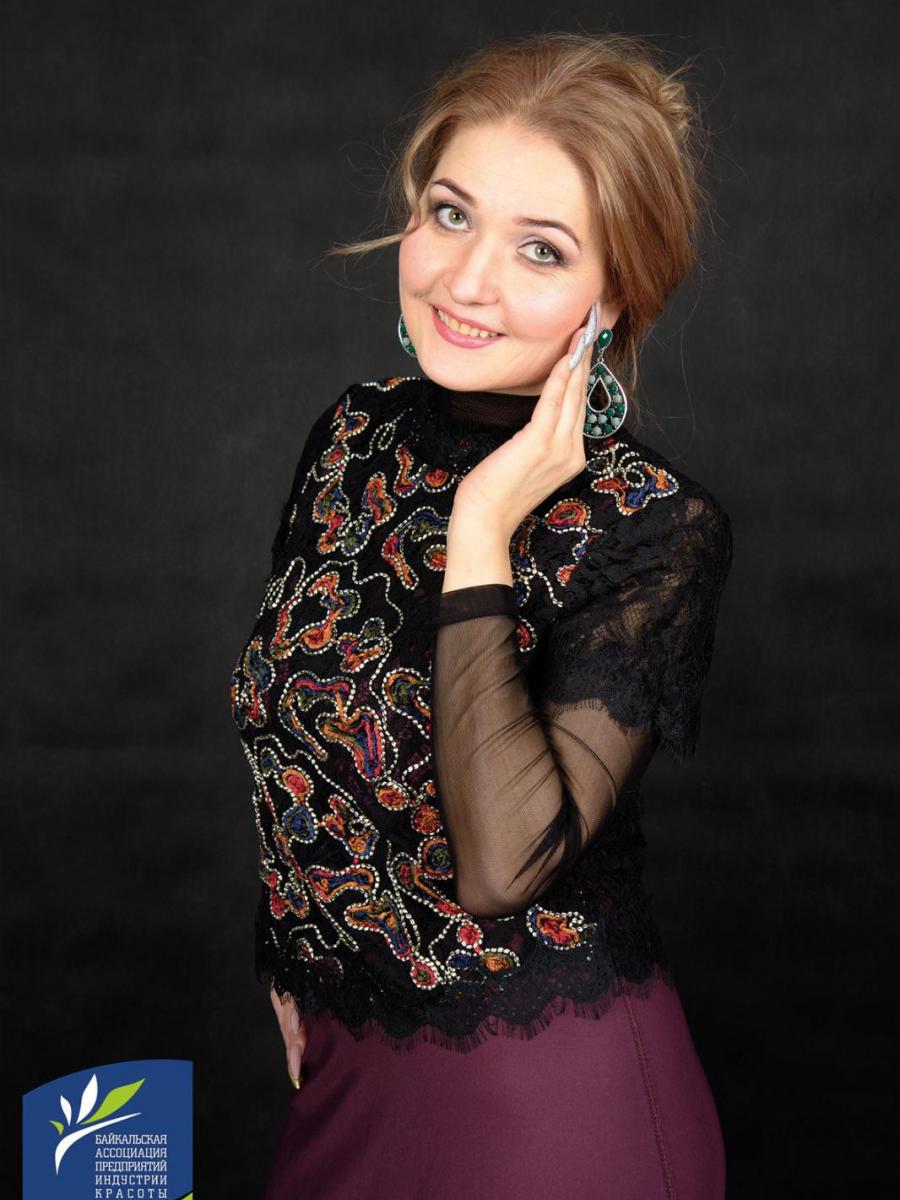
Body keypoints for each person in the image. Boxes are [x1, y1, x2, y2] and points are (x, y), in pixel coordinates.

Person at [229, 29, 734, 1200]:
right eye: (451, 215)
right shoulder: (352, 438)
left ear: (614, 296)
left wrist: (481, 525)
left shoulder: (654, 525)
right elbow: (294, 727)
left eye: (540, 248)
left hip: (550, 1111)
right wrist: (293, 952)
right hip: (351, 1077)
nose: (465, 281)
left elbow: (504, 869)